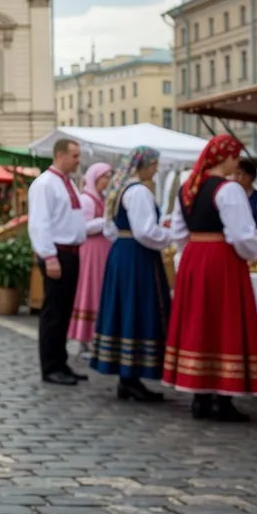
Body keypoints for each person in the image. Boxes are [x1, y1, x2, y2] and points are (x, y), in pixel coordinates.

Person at [163, 134, 257, 422]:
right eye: (235, 156)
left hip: (195, 258)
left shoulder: (188, 187)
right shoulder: (228, 189)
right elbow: (241, 235)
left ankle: (200, 396)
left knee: (200, 322)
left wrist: (190, 258)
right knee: (224, 322)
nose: (237, 161)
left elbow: (178, 234)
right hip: (222, 260)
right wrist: (253, 251)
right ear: (227, 157)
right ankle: (223, 396)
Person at [89, 147, 173, 403]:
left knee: (126, 310)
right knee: (138, 309)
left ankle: (128, 377)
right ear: (144, 166)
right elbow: (145, 231)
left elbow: (111, 229)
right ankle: (131, 375)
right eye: (154, 164)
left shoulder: (120, 190)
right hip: (137, 257)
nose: (156, 169)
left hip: (123, 254)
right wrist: (172, 237)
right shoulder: (138, 192)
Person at [28, 138, 88, 386]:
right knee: (54, 312)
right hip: (57, 254)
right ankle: (50, 366)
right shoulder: (44, 184)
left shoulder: (69, 183)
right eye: (74, 155)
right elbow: (39, 223)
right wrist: (49, 256)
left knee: (64, 312)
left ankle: (61, 362)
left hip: (71, 252)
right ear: (60, 155)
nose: (78, 160)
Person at [68, 163, 114, 348]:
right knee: (89, 288)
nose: (107, 180)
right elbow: (82, 227)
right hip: (91, 250)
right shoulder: (87, 200)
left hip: (103, 249)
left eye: (109, 177)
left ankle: (98, 333)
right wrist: (104, 221)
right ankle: (84, 337)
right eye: (104, 177)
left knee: (101, 289)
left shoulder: (102, 198)